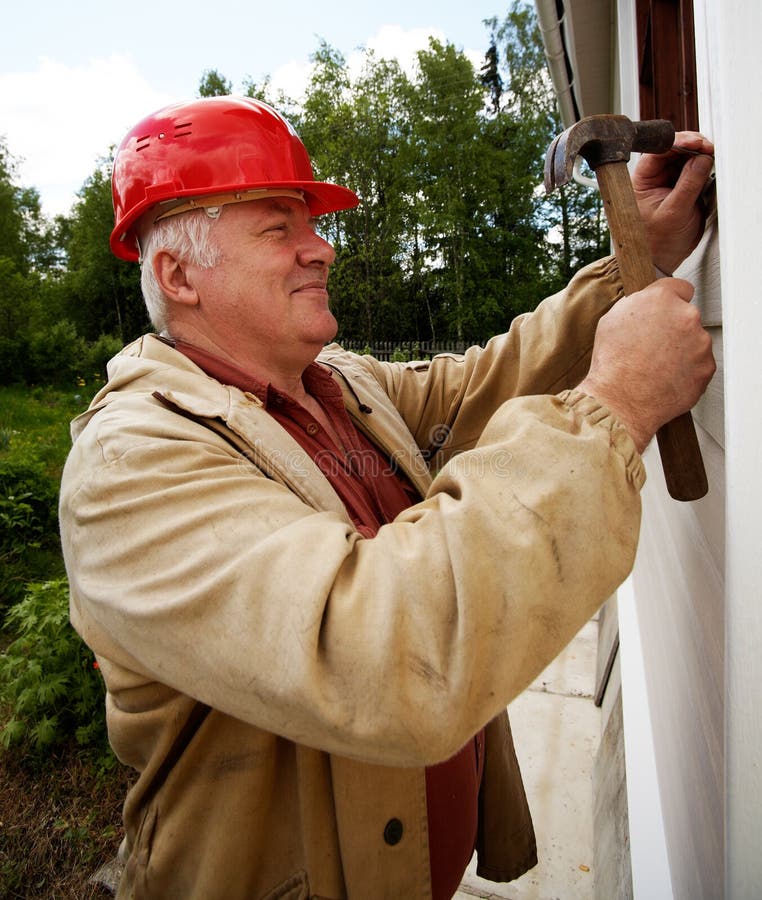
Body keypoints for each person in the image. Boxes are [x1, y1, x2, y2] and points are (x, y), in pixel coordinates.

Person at [59, 96, 715, 900]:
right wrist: (614, 407)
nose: (321, 249)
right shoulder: (131, 467)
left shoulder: (339, 386)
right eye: (279, 228)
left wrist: (629, 262)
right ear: (178, 276)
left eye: (312, 223)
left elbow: (488, 382)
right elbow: (385, 652)